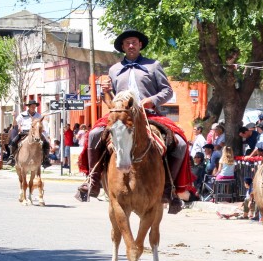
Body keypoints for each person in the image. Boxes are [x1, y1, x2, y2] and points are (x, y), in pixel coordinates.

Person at [76, 30, 190, 214]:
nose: (131, 45)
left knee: (182, 143)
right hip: (121, 116)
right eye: (127, 43)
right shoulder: (113, 70)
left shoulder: (154, 66)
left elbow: (167, 91)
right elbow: (109, 101)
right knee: (94, 134)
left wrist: (151, 100)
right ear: (122, 47)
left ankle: (169, 189)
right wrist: (105, 92)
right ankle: (93, 180)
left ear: (140, 45)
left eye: (134, 42)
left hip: (148, 115)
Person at [7, 100, 51, 168]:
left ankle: (46, 159)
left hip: (35, 133)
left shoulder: (38, 115)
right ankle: (11, 157)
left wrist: (44, 120)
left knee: (46, 143)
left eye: (35, 107)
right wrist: (13, 117)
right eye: (32, 106)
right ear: (29, 107)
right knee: (13, 142)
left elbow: (41, 126)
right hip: (24, 132)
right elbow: (15, 124)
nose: (34, 108)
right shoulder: (22, 114)